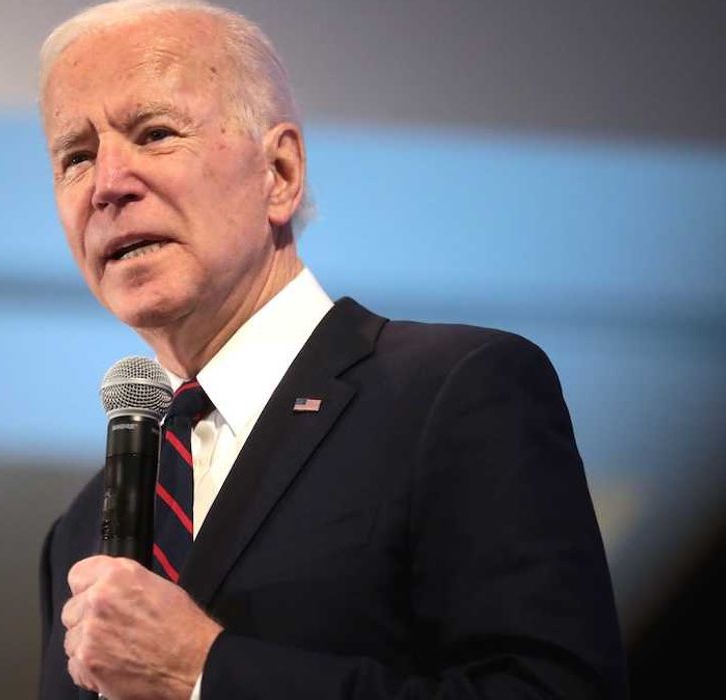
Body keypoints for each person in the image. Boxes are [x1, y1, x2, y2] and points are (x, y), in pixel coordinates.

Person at [35, 1, 627, 698]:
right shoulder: (78, 532)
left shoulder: (453, 393)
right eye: (76, 156)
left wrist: (202, 673)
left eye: (155, 133)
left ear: (278, 173)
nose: (107, 185)